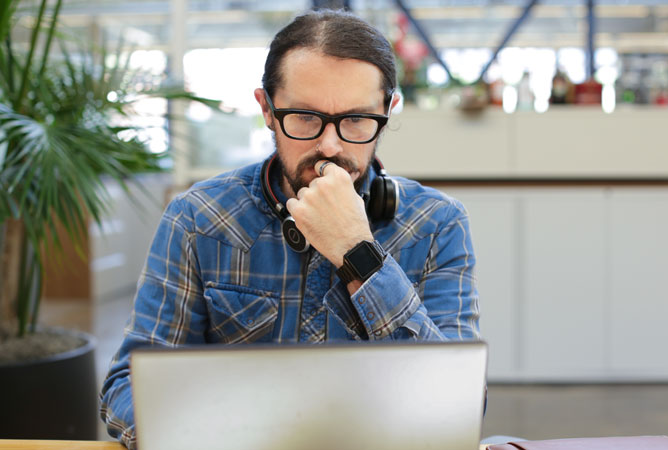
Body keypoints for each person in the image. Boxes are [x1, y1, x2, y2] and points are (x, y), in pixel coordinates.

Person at [99, 9, 480, 449]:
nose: (330, 146)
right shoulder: (197, 218)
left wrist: (358, 252)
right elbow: (127, 384)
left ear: (388, 111)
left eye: (356, 119)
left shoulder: (437, 224)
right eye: (304, 117)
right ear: (267, 109)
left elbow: (456, 404)